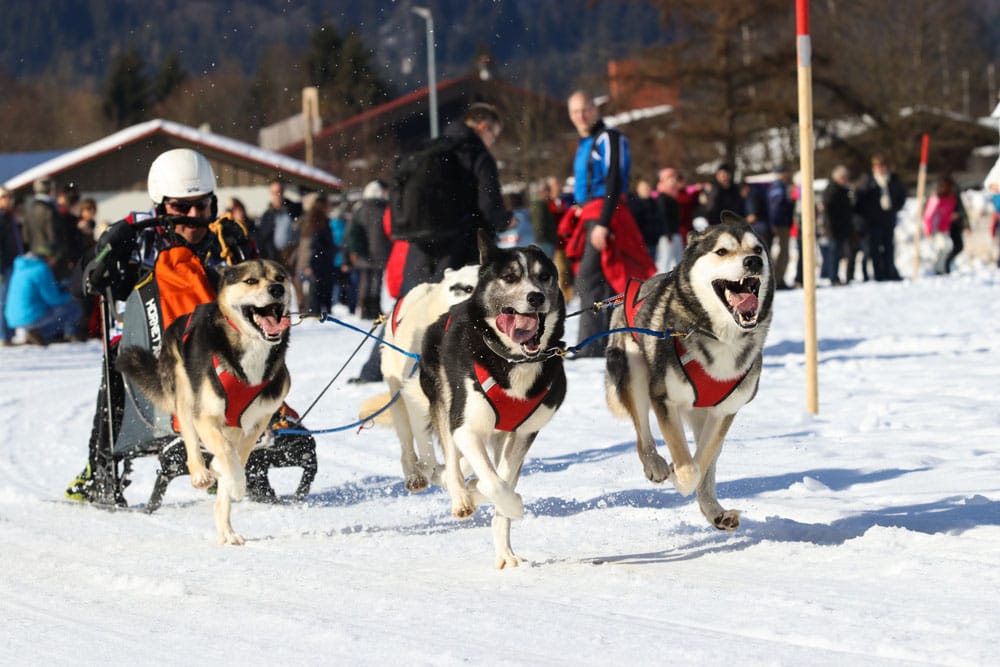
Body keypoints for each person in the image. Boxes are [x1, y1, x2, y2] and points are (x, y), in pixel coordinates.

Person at [66, 148, 258, 504]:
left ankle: (249, 444)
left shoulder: (222, 238)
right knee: (116, 354)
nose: (194, 217)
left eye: (202, 206)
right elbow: (83, 283)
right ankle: (101, 465)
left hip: (216, 346)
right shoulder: (138, 235)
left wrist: (244, 250)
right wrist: (106, 251)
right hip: (151, 343)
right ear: (160, 206)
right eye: (181, 208)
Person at [564, 90, 654, 357]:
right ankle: (606, 342)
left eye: (585, 109)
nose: (581, 116)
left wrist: (604, 222)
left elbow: (614, 179)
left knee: (588, 279)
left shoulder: (609, 138)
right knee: (604, 282)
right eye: (575, 112)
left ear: (596, 109)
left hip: (606, 215)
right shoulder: (585, 143)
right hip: (590, 214)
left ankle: (591, 347)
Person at [401, 102, 511, 293]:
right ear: (483, 127)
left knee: (411, 311)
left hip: (420, 248)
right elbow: (489, 208)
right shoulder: (478, 156)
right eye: (494, 135)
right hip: (458, 253)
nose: (493, 141)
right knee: (450, 315)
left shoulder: (433, 147)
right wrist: (505, 219)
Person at [4, 246, 82, 345]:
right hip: (30, 318)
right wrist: (70, 295)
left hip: (13, 318)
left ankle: (34, 332)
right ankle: (65, 334)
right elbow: (53, 299)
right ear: (49, 256)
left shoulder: (21, 266)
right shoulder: (41, 268)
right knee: (73, 308)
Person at [856, 154, 906, 281]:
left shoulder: (893, 180)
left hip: (888, 219)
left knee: (889, 247)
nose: (880, 169)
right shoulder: (867, 180)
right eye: (877, 166)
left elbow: (901, 195)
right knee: (875, 248)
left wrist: (895, 207)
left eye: (882, 166)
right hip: (873, 221)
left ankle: (890, 270)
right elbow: (861, 200)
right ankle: (879, 273)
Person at [347, 179, 391, 320]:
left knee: (365, 281)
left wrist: (354, 249)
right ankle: (375, 307)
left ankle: (365, 308)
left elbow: (352, 230)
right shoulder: (384, 209)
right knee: (376, 281)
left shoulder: (360, 208)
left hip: (363, 251)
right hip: (381, 250)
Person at [257, 179, 304, 301]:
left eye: (280, 192)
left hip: (293, 252)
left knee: (295, 281)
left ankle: (301, 308)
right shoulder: (267, 215)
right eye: (275, 192)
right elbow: (263, 237)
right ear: (270, 194)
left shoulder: (294, 210)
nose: (277, 195)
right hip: (274, 255)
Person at [21, 176, 68, 280]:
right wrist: (55, 254)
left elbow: (25, 235)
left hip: (34, 255)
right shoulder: (49, 210)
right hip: (50, 259)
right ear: (50, 190)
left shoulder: (29, 209)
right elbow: (54, 236)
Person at [296, 194, 336, 314]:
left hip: (317, 264)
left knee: (315, 297)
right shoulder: (318, 223)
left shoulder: (311, 221)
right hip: (317, 265)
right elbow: (314, 246)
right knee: (315, 300)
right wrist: (311, 265)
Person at [922, 174, 966, 275]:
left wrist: (953, 216)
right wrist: (928, 229)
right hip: (936, 228)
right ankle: (939, 268)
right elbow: (929, 215)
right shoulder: (936, 198)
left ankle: (941, 268)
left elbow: (949, 212)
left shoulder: (951, 199)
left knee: (946, 247)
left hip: (945, 227)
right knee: (944, 247)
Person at [822, 165, 855, 285]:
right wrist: (830, 228)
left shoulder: (843, 190)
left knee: (842, 253)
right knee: (834, 254)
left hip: (842, 228)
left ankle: (841, 276)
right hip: (834, 229)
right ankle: (833, 277)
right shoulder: (832, 190)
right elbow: (828, 212)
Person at [0, 187, 24, 346]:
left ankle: (9, 333)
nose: (7, 199)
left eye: (8, 196)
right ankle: (4, 335)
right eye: (3, 197)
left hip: (13, 263)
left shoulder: (9, 217)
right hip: (4, 266)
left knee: (10, 301)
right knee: (2, 301)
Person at [767, 166, 795, 289]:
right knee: (783, 252)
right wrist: (773, 223)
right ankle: (778, 279)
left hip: (783, 223)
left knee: (784, 252)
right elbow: (775, 207)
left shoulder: (782, 187)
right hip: (780, 223)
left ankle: (779, 278)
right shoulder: (777, 187)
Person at [627, 178, 663, 261]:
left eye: (648, 188)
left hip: (653, 241)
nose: (646, 190)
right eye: (644, 188)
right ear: (638, 189)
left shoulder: (654, 203)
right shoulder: (633, 204)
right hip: (639, 242)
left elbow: (659, 221)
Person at [655, 167, 682, 271]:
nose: (673, 181)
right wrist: (668, 234)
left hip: (675, 232)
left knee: (679, 260)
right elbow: (663, 216)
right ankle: (661, 284)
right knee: (665, 261)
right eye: (670, 178)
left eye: (674, 178)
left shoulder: (673, 195)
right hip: (667, 235)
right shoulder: (662, 197)